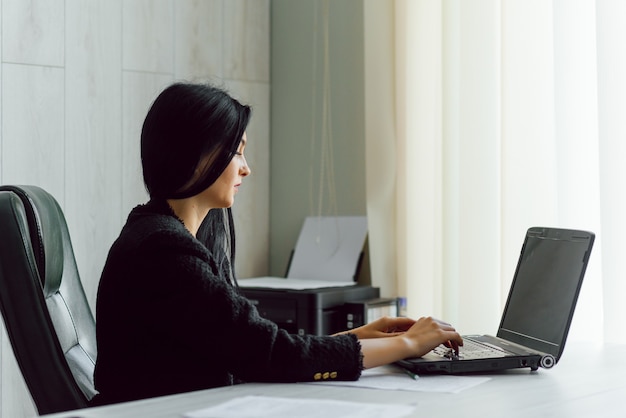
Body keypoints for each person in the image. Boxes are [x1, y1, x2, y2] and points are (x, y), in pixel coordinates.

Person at [91, 82, 463, 406]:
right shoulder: (165, 252)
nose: (246, 168)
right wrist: (409, 346)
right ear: (196, 155)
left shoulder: (158, 234)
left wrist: (359, 335)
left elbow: (256, 346)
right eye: (237, 151)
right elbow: (273, 355)